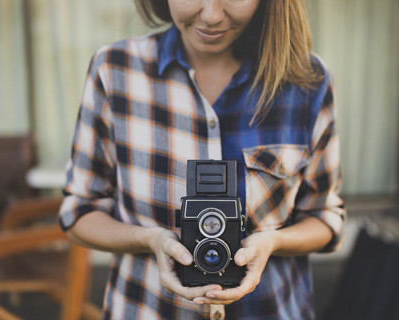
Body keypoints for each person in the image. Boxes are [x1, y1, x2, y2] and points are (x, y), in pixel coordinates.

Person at [59, 0, 346, 319]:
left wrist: (273, 242)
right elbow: (79, 211)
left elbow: (324, 215)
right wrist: (150, 240)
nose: (211, 16)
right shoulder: (114, 70)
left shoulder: (308, 80)